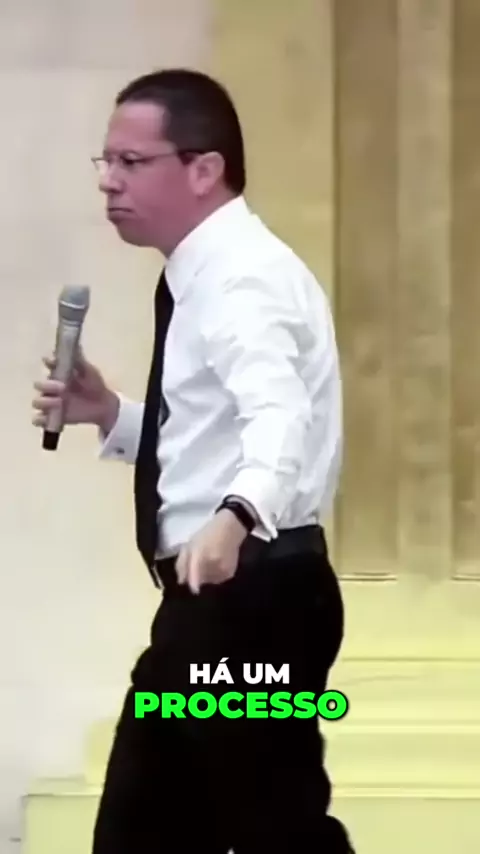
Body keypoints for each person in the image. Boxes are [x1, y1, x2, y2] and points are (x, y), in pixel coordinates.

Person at [32, 68, 354, 853]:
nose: (109, 182)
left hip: (254, 603)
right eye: (106, 162)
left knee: (271, 826)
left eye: (132, 162)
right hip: (218, 605)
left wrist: (236, 517)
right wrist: (112, 416)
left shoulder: (243, 278)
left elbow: (281, 418)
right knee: (154, 826)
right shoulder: (205, 275)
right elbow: (214, 440)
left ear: (204, 169)